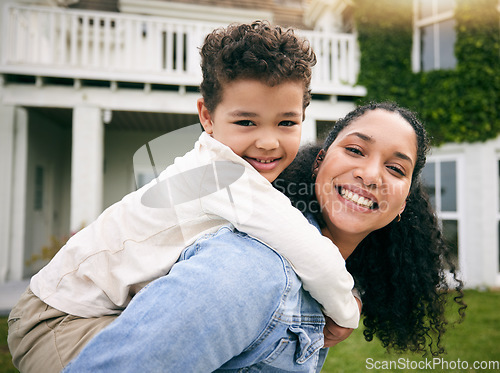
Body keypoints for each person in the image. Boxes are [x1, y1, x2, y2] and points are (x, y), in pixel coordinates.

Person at [8, 21, 361, 373]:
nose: (268, 141)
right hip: (60, 320)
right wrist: (345, 309)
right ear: (207, 116)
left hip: (97, 309)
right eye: (246, 123)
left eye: (286, 123)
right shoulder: (218, 176)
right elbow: (308, 251)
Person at [59, 102, 466, 372]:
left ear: (403, 203)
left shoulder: (315, 282)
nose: (373, 174)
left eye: (396, 169)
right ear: (320, 162)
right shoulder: (253, 267)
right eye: (356, 151)